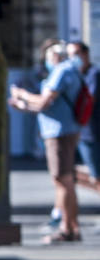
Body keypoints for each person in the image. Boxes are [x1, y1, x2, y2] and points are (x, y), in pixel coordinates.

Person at [11, 40, 84, 243]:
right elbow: (47, 106)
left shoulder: (62, 71)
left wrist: (22, 95)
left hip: (59, 132)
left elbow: (45, 101)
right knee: (64, 180)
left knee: (63, 180)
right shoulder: (71, 70)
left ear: (54, 57)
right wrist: (24, 106)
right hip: (63, 129)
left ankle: (67, 227)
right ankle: (71, 226)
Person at [66, 41, 100, 196]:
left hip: (92, 132)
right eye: (69, 55)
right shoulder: (78, 74)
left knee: (96, 176)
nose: (72, 58)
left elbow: (89, 99)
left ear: (85, 54)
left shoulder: (94, 74)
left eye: (75, 54)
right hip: (83, 131)